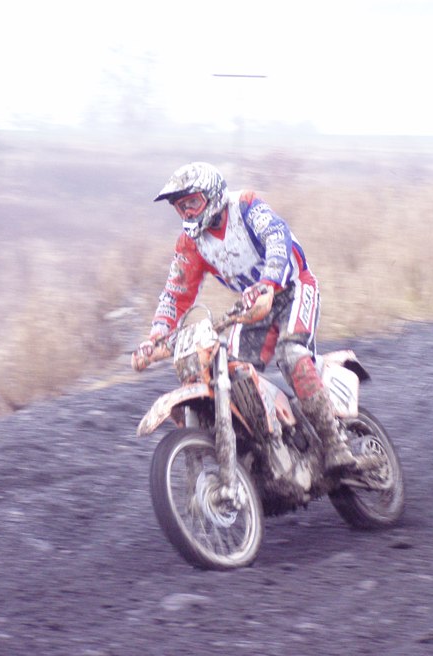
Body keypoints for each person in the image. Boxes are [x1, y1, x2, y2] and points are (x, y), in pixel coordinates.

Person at [132, 161, 361, 474]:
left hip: (293, 288)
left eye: (193, 202)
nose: (187, 212)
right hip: (251, 305)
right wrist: (157, 335)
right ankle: (268, 449)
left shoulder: (246, 206)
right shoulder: (191, 243)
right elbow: (175, 293)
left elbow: (277, 237)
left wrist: (268, 282)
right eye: (181, 207)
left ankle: (334, 443)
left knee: (292, 355)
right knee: (234, 373)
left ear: (212, 195)